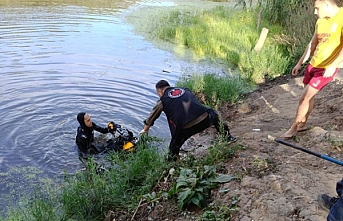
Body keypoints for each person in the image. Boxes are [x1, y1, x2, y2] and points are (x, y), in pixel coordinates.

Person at [281, 0, 343, 138]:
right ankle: (302, 124)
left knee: (303, 98)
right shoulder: (320, 21)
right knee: (309, 96)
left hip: (327, 68)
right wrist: (300, 63)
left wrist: (333, 65)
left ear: (327, 4)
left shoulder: (342, 17)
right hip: (313, 65)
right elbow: (312, 44)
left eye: (317, 8)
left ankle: (294, 128)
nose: (315, 12)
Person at [139, 80, 236, 161]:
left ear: (160, 92)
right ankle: (228, 137)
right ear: (169, 86)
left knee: (173, 148)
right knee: (214, 114)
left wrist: (145, 130)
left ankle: (173, 164)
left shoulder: (162, 101)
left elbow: (151, 118)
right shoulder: (185, 89)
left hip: (185, 129)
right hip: (206, 119)